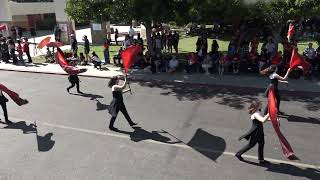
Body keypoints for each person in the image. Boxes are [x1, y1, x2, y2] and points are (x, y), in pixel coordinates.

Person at [235, 100, 271, 165]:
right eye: (260, 104)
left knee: (261, 144)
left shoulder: (258, 112)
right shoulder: (255, 114)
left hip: (260, 131)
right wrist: (269, 113)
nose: (261, 105)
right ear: (257, 106)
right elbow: (263, 120)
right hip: (256, 132)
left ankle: (261, 160)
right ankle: (238, 154)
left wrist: (273, 119)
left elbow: (264, 118)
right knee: (251, 145)